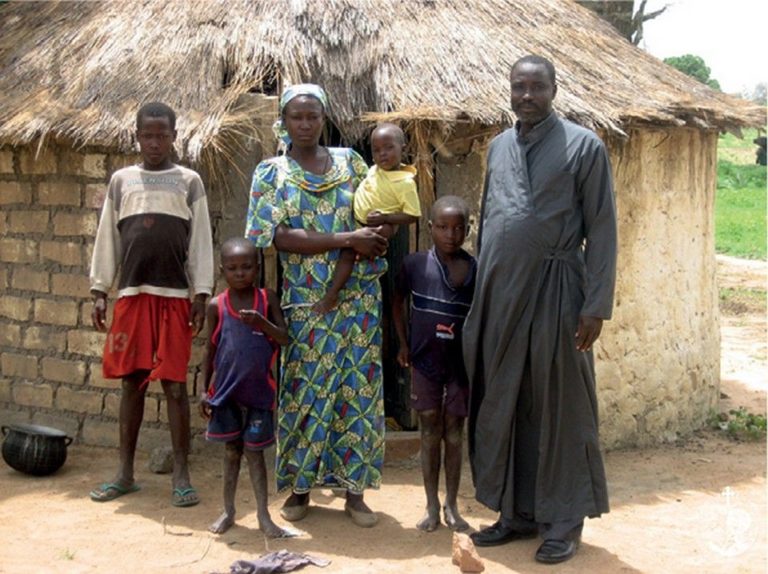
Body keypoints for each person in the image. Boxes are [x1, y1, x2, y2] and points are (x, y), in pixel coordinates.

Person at [463, 55, 617, 564]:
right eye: (518, 87)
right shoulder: (499, 147)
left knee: (561, 405)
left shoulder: (583, 146)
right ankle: (516, 512)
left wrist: (595, 306)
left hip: (557, 291)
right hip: (503, 294)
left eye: (536, 87)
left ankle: (564, 522)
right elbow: (492, 222)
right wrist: (483, 294)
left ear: (554, 89)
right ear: (509, 91)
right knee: (506, 398)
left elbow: (602, 229)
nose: (526, 95)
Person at [245, 84, 388, 528]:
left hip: (359, 299)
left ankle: (355, 492)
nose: (304, 124)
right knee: (304, 394)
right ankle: (301, 489)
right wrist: (346, 238)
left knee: (357, 392)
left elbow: (375, 217)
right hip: (307, 303)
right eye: (296, 116)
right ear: (283, 121)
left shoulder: (352, 163)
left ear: (324, 119)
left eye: (312, 116)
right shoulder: (270, 174)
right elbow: (278, 237)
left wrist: (367, 236)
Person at [89, 101, 214, 507]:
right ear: (137, 136)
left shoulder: (188, 181)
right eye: (147, 134)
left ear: (174, 137)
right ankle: (124, 473)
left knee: (175, 386)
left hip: (175, 297)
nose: (155, 142)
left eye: (162, 134)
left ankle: (181, 474)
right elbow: (108, 235)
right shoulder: (121, 181)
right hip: (131, 294)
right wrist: (99, 288)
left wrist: (201, 293)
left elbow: (200, 242)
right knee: (132, 383)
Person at [392, 195, 476, 533]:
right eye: (442, 227)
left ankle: (452, 504)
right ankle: (430, 505)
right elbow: (396, 301)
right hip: (424, 361)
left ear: (467, 230)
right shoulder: (414, 265)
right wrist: (403, 342)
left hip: (461, 365)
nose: (450, 235)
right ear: (430, 228)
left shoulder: (475, 269)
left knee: (454, 431)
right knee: (429, 427)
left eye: (458, 228)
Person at [199, 238, 290, 537]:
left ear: (258, 267)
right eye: (233, 268)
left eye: (247, 267)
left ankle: (263, 515)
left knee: (255, 453)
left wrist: (263, 323)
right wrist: (203, 390)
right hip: (226, 394)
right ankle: (228, 510)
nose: (240, 273)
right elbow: (209, 351)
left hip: (259, 394)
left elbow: (285, 338)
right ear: (223, 270)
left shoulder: (267, 299)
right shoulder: (217, 305)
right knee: (231, 452)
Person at [313, 122, 420, 314]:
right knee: (354, 254)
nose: (383, 154)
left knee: (348, 254)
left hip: (380, 226)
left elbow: (412, 215)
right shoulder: (375, 170)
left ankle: (332, 294)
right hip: (359, 223)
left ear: (403, 149)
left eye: (389, 148)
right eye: (377, 150)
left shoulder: (405, 183)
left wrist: (387, 218)